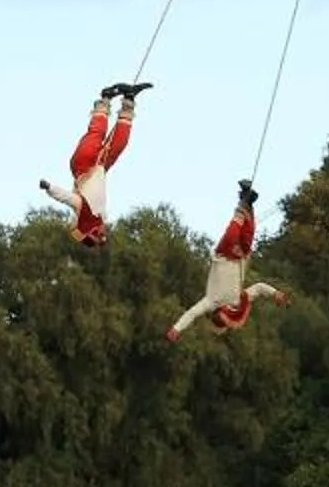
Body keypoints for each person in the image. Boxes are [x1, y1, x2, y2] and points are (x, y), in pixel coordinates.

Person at [168, 180, 290, 338]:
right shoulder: (237, 302)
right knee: (249, 232)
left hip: (224, 254)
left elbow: (191, 313)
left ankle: (243, 202)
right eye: (223, 320)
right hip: (240, 256)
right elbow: (259, 288)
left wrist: (177, 329)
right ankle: (248, 199)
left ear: (214, 315)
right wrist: (275, 294)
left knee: (233, 232)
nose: (221, 317)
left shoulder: (210, 302)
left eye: (218, 319)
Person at [41, 82, 150, 247]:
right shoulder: (101, 216)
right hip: (100, 167)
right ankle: (128, 100)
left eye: (98, 235)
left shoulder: (83, 209)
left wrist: (49, 188)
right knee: (120, 143)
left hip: (83, 165)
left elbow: (65, 197)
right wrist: (99, 240)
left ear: (90, 229)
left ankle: (105, 98)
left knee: (97, 133)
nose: (103, 233)